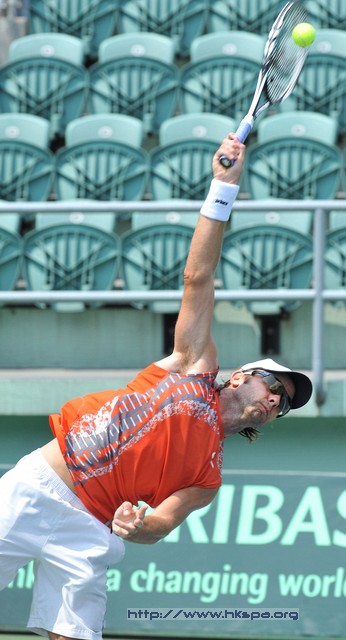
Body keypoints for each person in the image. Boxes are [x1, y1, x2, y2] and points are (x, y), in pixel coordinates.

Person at [0, 134, 312, 640]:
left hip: (91, 525)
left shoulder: (207, 478)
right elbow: (198, 277)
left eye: (284, 404)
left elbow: (162, 524)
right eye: (274, 384)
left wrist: (138, 526)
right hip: (38, 488)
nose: (276, 399)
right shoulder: (193, 365)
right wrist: (223, 188)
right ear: (240, 376)